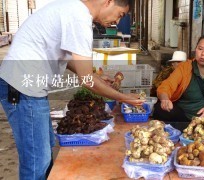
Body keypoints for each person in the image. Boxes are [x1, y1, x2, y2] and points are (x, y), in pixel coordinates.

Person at [0, 0, 144, 179]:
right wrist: (123, 97)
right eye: (120, 14)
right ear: (108, 2)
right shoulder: (79, 18)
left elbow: (70, 60)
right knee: (37, 160)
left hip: (28, 88)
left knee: (44, 151)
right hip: (22, 88)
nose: (116, 20)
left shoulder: (72, 9)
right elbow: (86, 81)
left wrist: (95, 76)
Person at [153, 34, 204, 131]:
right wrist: (165, 99)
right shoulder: (184, 67)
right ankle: (181, 132)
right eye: (200, 49)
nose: (203, 53)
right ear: (195, 49)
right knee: (160, 109)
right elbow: (167, 86)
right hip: (183, 117)